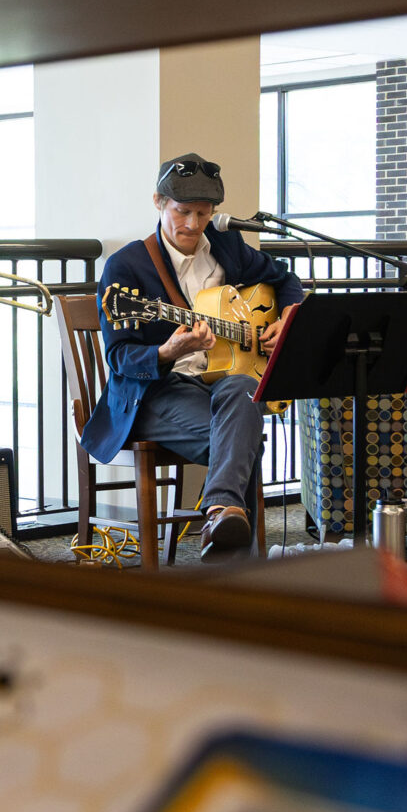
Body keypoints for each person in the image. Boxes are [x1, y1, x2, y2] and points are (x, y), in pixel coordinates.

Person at [78, 153, 304, 556]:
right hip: (154, 393)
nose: (193, 225)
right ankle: (234, 562)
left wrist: (287, 317)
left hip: (216, 386)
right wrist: (168, 350)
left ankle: (220, 515)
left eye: (203, 213)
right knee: (244, 440)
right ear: (158, 202)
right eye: (183, 212)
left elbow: (285, 279)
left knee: (244, 391)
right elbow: (119, 358)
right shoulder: (127, 267)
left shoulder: (227, 246)